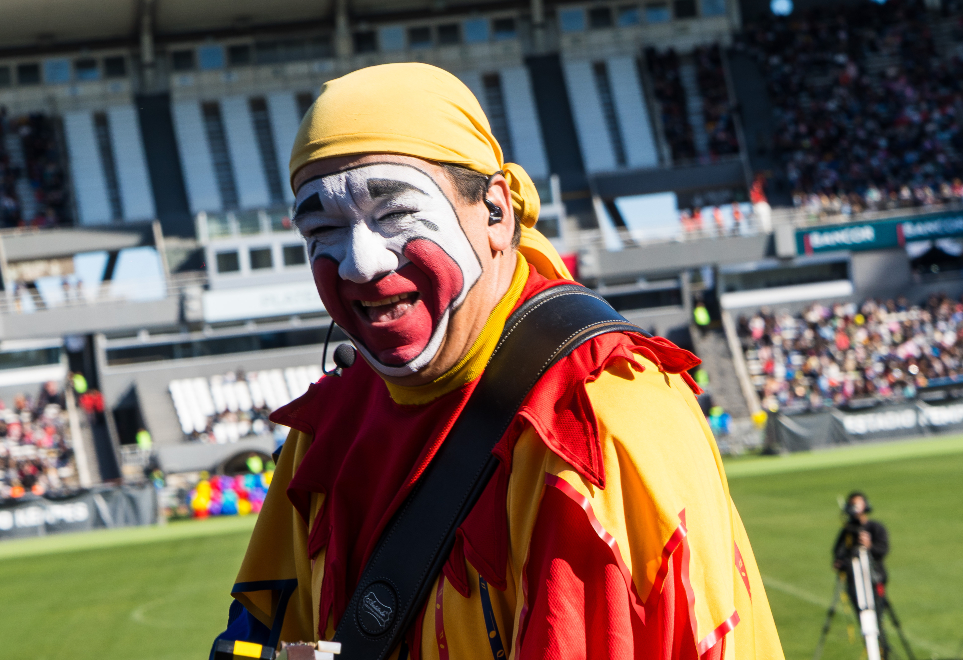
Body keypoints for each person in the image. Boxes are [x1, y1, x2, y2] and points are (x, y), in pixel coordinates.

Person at [214, 63, 783, 659]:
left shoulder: (596, 413)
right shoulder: (326, 430)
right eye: (323, 228)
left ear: (495, 211)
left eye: (394, 214)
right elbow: (265, 642)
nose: (360, 263)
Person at [832, 492, 890, 649]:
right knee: (864, 625)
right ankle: (871, 649)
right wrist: (842, 562)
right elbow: (838, 554)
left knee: (876, 623)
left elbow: (882, 550)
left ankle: (882, 651)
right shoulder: (847, 531)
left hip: (873, 581)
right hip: (854, 584)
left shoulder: (875, 527)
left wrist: (869, 545)